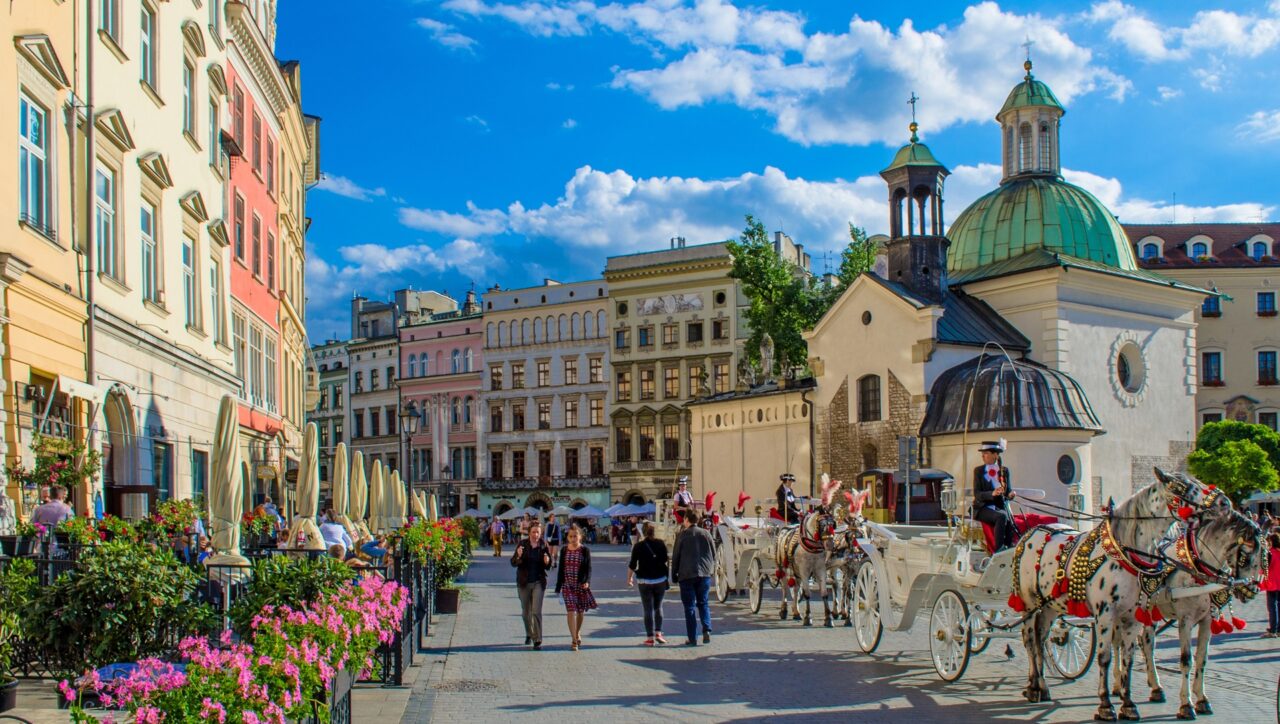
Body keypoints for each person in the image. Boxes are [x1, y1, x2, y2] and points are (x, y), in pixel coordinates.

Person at [671, 512, 715, 645]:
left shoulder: (682, 535)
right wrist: (710, 568)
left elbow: (676, 556)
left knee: (689, 607)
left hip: (686, 574)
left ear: (686, 520)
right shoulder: (706, 534)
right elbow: (713, 552)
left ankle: (692, 637)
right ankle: (706, 629)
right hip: (704, 574)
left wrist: (674, 575)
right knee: (703, 603)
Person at [511, 520, 552, 649]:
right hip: (524, 582)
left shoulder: (543, 545)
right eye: (533, 532)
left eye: (538, 532)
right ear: (529, 533)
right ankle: (529, 633)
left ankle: (537, 638)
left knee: (536, 611)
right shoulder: (522, 544)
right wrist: (518, 556)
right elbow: (513, 562)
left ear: (541, 533)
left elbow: (548, 565)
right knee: (526, 613)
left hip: (538, 582)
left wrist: (547, 561)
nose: (535, 535)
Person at [628, 522, 670, 646]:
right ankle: (659, 633)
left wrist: (629, 579)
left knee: (647, 609)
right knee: (658, 607)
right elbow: (665, 560)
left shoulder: (638, 546)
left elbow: (632, 564)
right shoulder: (661, 544)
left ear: (643, 532)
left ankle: (650, 638)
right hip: (660, 580)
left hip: (644, 581)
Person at [555, 525, 596, 651]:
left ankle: (577, 632)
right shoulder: (564, 550)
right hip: (567, 585)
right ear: (567, 537)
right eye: (571, 536)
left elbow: (588, 568)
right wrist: (558, 585)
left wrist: (587, 581)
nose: (573, 538)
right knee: (571, 611)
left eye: (575, 536)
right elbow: (561, 568)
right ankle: (573, 639)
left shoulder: (585, 550)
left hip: (580, 584)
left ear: (580, 536)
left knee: (580, 612)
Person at [972, 439, 1017, 551]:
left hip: (999, 506)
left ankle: (1009, 547)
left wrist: (1010, 494)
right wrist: (991, 494)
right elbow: (977, 494)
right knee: (1001, 516)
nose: (983, 456)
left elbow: (1007, 491)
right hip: (982, 507)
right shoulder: (978, 471)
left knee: (1009, 518)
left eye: (986, 453)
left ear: (995, 455)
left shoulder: (1004, 471)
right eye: (982, 454)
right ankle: (999, 549)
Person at [1263, 532, 1280, 638]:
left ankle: (1273, 630)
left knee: (1272, 606)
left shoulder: (1270, 553)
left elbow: (1265, 568)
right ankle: (1278, 629)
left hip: (1273, 583)